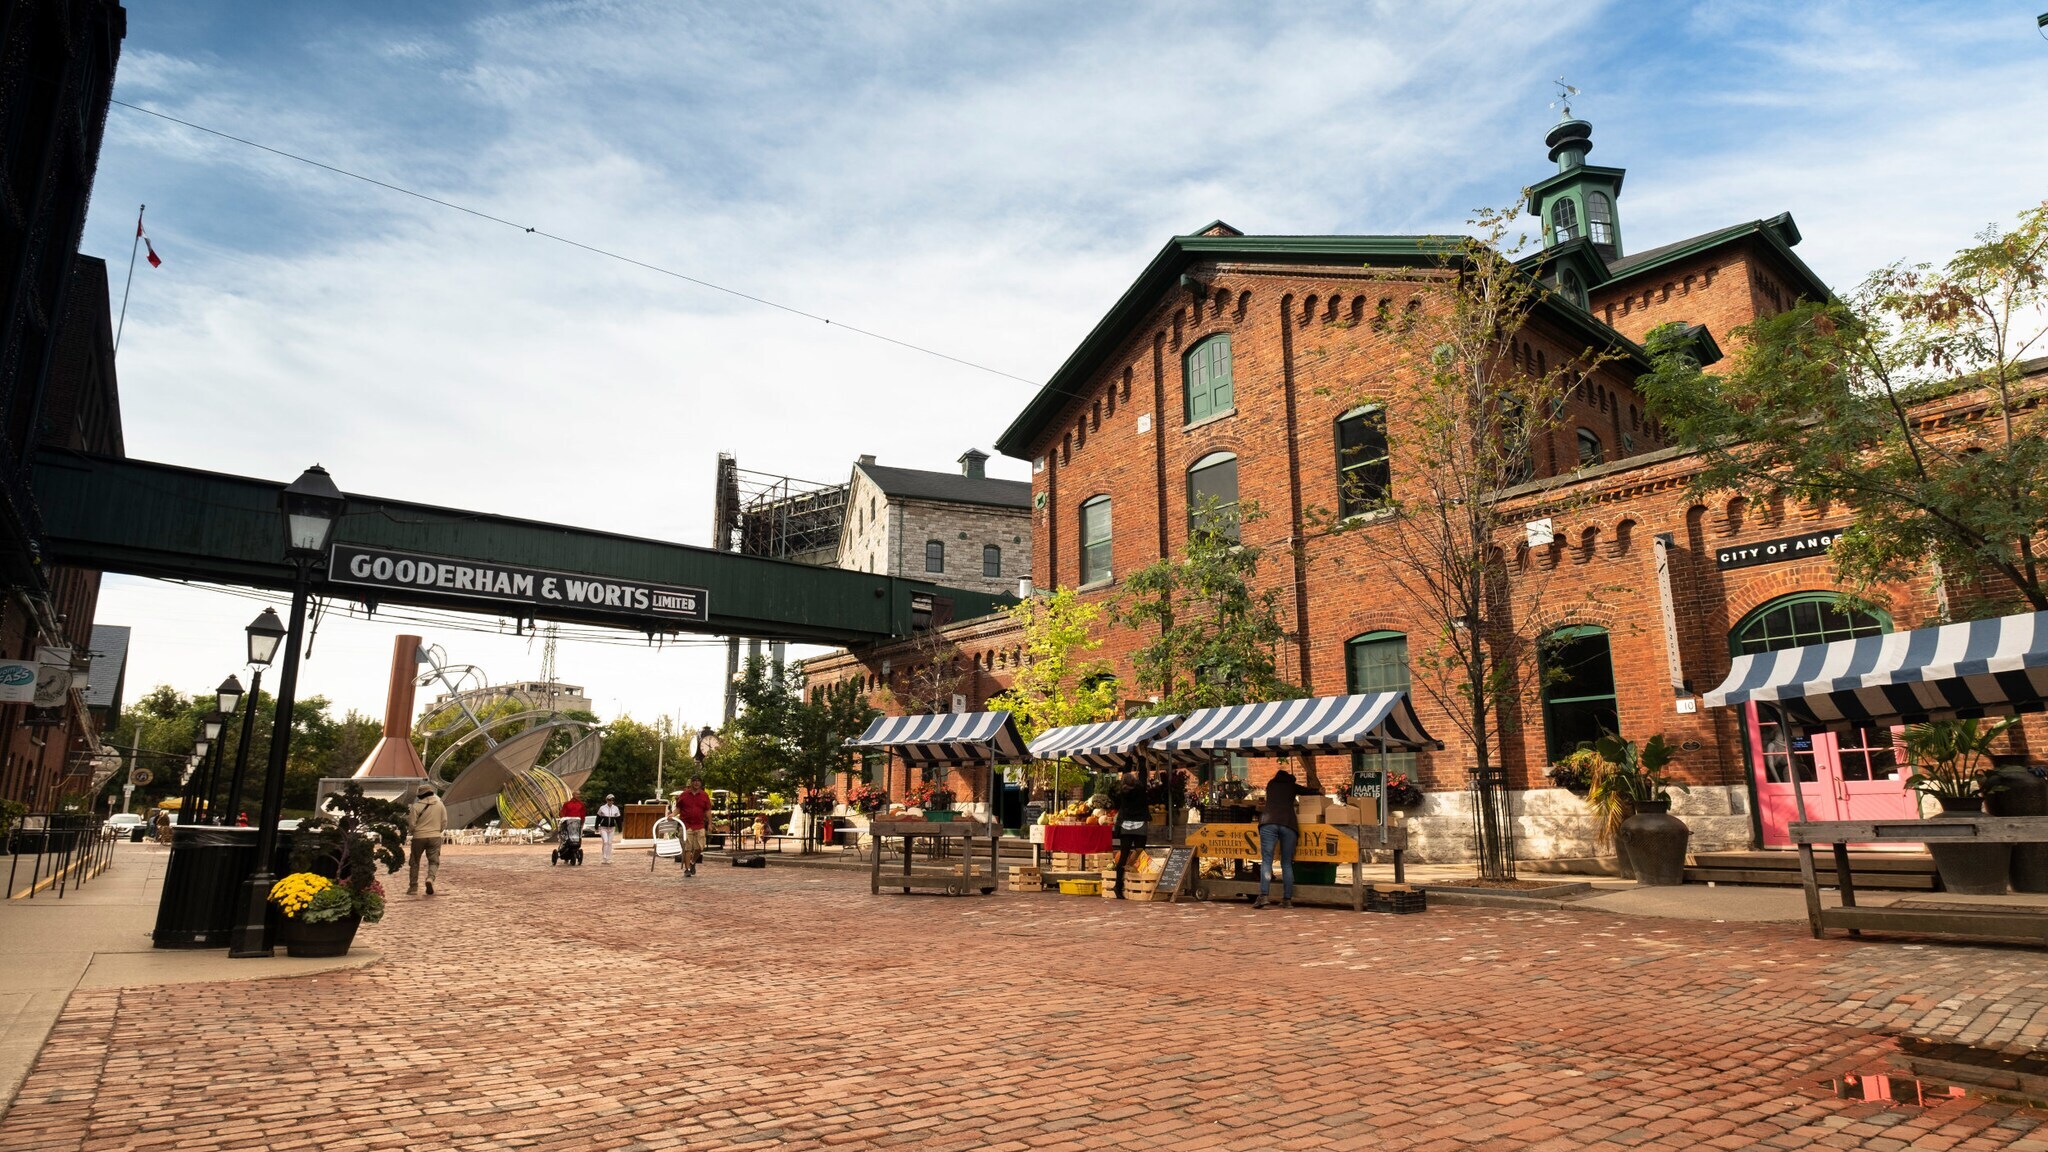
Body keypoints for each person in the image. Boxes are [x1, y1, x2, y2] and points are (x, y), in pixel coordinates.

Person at [1256, 768, 1301, 909]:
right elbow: (1308, 791)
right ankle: (1287, 899)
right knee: (1286, 863)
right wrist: (1319, 790)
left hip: (1268, 822)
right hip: (1288, 823)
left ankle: (1263, 896)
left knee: (1267, 861)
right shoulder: (1292, 786)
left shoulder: (1271, 784)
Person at [1112, 769, 1150, 899]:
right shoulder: (1140, 790)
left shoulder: (1122, 793)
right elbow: (1144, 776)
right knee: (1140, 853)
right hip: (1140, 825)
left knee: (1123, 856)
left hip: (1126, 826)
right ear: (1135, 782)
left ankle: (1118, 886)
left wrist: (1127, 762)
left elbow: (1125, 778)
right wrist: (1140, 759)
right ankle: (1139, 884)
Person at [407, 783, 447, 896]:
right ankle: (430, 878)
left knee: (414, 861)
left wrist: (413, 831)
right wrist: (437, 831)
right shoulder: (440, 805)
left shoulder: (416, 807)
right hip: (434, 836)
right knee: (434, 861)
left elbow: (411, 824)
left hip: (419, 837)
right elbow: (444, 821)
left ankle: (413, 887)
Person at [676, 776, 712, 877]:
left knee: (700, 846)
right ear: (691, 783)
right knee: (687, 847)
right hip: (686, 825)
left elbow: (708, 810)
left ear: (701, 783)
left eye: (698, 781)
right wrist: (672, 815)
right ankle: (687, 869)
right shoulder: (684, 795)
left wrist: (710, 823)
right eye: (694, 781)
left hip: (699, 824)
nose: (696, 783)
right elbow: (678, 808)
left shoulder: (704, 795)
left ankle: (692, 862)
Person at [594, 794, 623, 863]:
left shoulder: (615, 808)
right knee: (605, 841)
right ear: (607, 800)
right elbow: (598, 818)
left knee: (610, 843)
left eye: (612, 800)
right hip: (603, 828)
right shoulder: (602, 808)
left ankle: (609, 858)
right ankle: (604, 857)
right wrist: (596, 826)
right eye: (609, 800)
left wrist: (620, 828)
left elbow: (618, 819)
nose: (611, 801)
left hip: (612, 828)